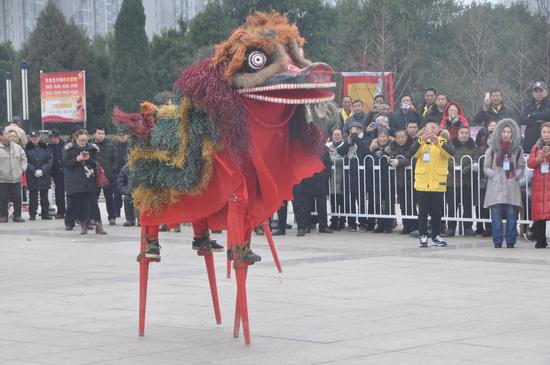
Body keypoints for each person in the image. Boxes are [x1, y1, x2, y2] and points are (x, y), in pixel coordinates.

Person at [408, 122, 455, 247]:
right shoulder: (420, 142)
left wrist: (437, 142)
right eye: (429, 128)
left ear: (439, 129)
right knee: (422, 212)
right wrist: (421, 141)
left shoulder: (443, 141)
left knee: (437, 212)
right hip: (423, 183)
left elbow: (451, 153)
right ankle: (423, 236)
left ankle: (436, 235)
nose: (431, 130)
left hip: (437, 184)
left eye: (434, 127)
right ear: (424, 129)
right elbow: (411, 153)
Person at [483, 118, 525, 248]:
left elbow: (521, 166)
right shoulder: (492, 149)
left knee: (512, 215)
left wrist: (515, 176)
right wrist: (493, 175)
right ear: (499, 133)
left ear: (513, 134)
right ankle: (497, 241)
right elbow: (486, 167)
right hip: (496, 186)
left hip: (511, 186)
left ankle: (511, 241)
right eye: (504, 131)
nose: (506, 134)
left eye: (509, 132)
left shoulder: (517, 150)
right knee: (496, 215)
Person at [64, 129, 105, 234]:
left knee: (93, 203)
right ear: (76, 139)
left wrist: (88, 159)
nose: (83, 142)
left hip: (90, 180)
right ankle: (83, 226)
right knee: (80, 204)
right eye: (81, 140)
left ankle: (99, 225)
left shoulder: (92, 148)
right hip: (76, 181)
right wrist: (77, 159)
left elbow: (97, 165)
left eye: (85, 140)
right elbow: (66, 164)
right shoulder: (70, 149)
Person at [337, 121, 373, 231]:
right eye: (352, 129)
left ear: (361, 130)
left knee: (361, 201)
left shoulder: (365, 139)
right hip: (349, 176)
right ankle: (351, 223)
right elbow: (340, 152)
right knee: (349, 201)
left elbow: (366, 150)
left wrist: (355, 138)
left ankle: (362, 223)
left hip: (361, 176)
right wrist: (348, 143)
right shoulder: (348, 140)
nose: (354, 131)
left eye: (356, 129)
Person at [445, 126, 478, 237]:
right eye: (462, 133)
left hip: (467, 181)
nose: (464, 135)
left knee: (467, 205)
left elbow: (475, 158)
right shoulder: (451, 145)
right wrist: (454, 166)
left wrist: (467, 168)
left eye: (466, 133)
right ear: (457, 134)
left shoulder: (473, 146)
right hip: (453, 181)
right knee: (452, 206)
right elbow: (447, 158)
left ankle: (468, 227)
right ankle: (451, 227)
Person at [294, 146, 333, 236]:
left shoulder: (324, 150)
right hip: (308, 180)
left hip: (320, 181)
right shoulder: (306, 149)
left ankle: (323, 226)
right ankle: (307, 226)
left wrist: (325, 175)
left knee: (322, 206)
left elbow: (328, 164)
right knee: (307, 206)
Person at [386, 129, 417, 234]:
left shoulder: (412, 146)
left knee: (410, 204)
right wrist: (389, 160)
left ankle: (414, 225)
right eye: (398, 137)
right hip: (399, 180)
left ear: (406, 137)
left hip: (410, 179)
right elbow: (389, 156)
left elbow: (410, 159)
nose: (400, 139)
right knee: (403, 204)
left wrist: (399, 162)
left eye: (402, 137)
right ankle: (406, 225)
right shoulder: (393, 146)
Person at [527, 122, 550, 248]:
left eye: (549, 132)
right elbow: (530, 163)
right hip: (539, 185)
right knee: (539, 214)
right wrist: (538, 159)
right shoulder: (536, 147)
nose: (546, 135)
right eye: (544, 132)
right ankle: (540, 239)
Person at [369, 128, 394, 233]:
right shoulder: (374, 148)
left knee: (388, 201)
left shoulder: (392, 147)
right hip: (377, 177)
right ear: (377, 138)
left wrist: (385, 152)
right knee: (378, 201)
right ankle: (380, 224)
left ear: (388, 138)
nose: (383, 138)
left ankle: (388, 224)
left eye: (384, 136)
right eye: (380, 137)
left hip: (388, 177)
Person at [0, 127, 27, 222]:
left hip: (16, 177)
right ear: (1, 136)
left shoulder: (16, 147)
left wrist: (23, 169)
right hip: (2, 178)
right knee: (3, 198)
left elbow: (23, 158)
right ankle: (3, 216)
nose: (9, 136)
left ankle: (17, 216)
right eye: (7, 134)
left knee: (17, 198)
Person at [93, 127, 119, 225]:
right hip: (95, 176)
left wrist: (112, 171)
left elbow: (115, 160)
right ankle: (93, 217)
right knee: (93, 198)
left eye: (102, 133)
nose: (101, 135)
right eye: (99, 133)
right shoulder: (91, 146)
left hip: (108, 176)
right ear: (95, 134)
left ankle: (112, 217)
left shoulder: (110, 145)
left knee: (109, 198)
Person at [25, 131, 53, 220]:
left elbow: (50, 160)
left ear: (39, 137)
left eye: (36, 136)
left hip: (44, 175)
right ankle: (32, 214)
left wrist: (43, 170)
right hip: (32, 175)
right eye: (33, 137)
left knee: (44, 195)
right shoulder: (27, 148)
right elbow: (25, 161)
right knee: (33, 196)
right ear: (30, 138)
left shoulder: (45, 147)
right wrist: (33, 171)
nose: (34, 138)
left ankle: (45, 213)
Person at [521, 81, 550, 153]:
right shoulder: (528, 105)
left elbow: (547, 114)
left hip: (546, 142)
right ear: (533, 93)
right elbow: (522, 119)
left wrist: (533, 115)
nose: (539, 93)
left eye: (541, 91)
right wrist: (536, 121)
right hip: (529, 143)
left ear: (546, 91)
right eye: (536, 91)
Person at [326, 129, 346, 230]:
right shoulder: (327, 145)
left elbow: (344, 159)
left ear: (342, 136)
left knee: (342, 202)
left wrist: (330, 160)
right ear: (332, 135)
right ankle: (333, 221)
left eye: (339, 134)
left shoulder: (345, 145)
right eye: (335, 134)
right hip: (330, 177)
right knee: (333, 201)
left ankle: (342, 221)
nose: (337, 136)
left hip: (342, 176)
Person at [475, 131, 492, 237]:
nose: (490, 140)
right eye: (489, 138)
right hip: (483, 181)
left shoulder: (500, 150)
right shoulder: (481, 150)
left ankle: (494, 226)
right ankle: (486, 227)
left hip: (495, 181)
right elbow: (475, 159)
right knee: (482, 204)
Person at [47, 129, 66, 218]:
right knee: (59, 193)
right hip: (56, 173)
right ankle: (61, 211)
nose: (50, 139)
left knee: (70, 194)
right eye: (49, 137)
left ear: (57, 137)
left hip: (66, 172)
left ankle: (71, 211)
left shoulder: (65, 145)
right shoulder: (49, 147)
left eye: (52, 137)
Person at [114, 130, 129, 219]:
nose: (122, 137)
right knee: (116, 193)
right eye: (120, 135)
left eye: (123, 135)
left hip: (129, 171)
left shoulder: (131, 145)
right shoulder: (114, 146)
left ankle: (130, 215)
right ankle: (117, 212)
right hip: (117, 171)